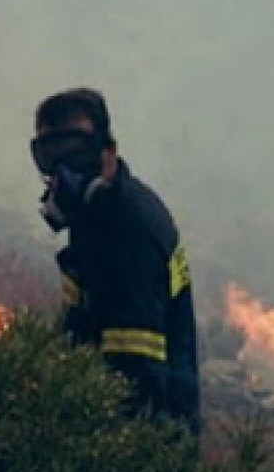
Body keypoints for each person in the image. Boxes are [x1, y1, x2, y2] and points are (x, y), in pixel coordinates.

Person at [29, 88, 201, 437]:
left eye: (76, 155)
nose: (64, 173)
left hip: (145, 444)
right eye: (50, 157)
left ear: (108, 154)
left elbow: (137, 382)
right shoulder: (97, 219)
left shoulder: (129, 234)